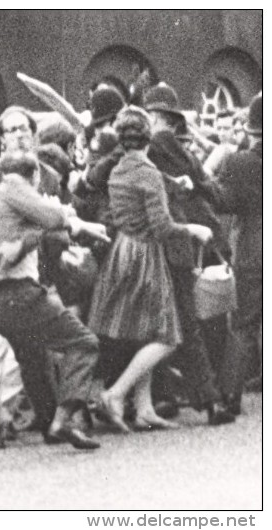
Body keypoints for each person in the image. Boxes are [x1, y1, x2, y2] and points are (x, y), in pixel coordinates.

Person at [0, 150, 110, 449]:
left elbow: (47, 227)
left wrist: (79, 226)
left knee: (32, 355)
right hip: (15, 293)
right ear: (34, 176)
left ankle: (52, 425)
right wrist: (62, 217)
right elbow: (50, 217)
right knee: (84, 343)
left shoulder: (5, 198)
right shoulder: (14, 187)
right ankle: (63, 419)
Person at [89, 106, 213, 432]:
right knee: (166, 336)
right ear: (149, 137)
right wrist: (194, 230)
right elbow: (161, 227)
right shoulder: (148, 173)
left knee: (145, 333)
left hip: (122, 252)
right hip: (146, 256)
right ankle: (115, 394)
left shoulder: (119, 170)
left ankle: (144, 408)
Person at [142, 83, 235, 426]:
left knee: (173, 321)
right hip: (191, 240)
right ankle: (201, 397)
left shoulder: (157, 143)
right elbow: (207, 186)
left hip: (171, 241)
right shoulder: (179, 148)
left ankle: (182, 397)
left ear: (156, 117)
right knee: (186, 321)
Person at [194, 93, 262, 414]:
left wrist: (201, 180)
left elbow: (222, 202)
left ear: (252, 129)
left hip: (253, 247)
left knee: (244, 323)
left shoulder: (239, 162)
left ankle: (231, 395)